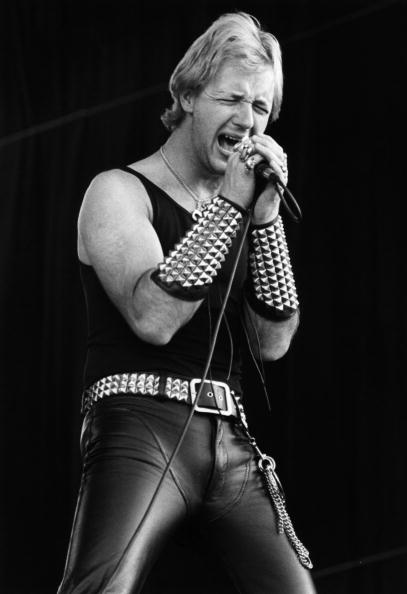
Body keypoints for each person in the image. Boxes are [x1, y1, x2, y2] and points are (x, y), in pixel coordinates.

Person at [58, 11, 316, 594]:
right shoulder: (117, 191)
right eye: (232, 98)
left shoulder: (242, 206)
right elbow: (154, 318)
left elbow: (273, 343)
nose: (248, 120)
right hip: (140, 423)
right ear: (188, 95)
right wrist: (230, 208)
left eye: (260, 106)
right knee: (102, 587)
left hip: (230, 437)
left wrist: (266, 218)